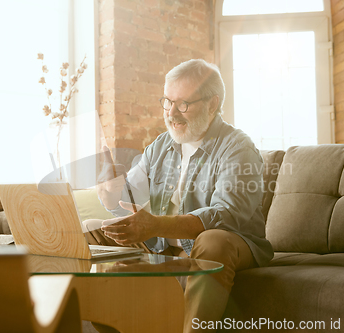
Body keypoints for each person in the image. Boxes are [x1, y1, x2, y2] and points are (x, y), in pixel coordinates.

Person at [86, 59, 273, 332]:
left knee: (213, 240)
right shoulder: (161, 145)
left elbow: (226, 215)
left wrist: (155, 225)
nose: (172, 113)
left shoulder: (237, 147)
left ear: (212, 104)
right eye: (167, 102)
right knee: (90, 232)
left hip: (229, 244)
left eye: (183, 104)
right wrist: (111, 193)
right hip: (164, 246)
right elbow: (129, 198)